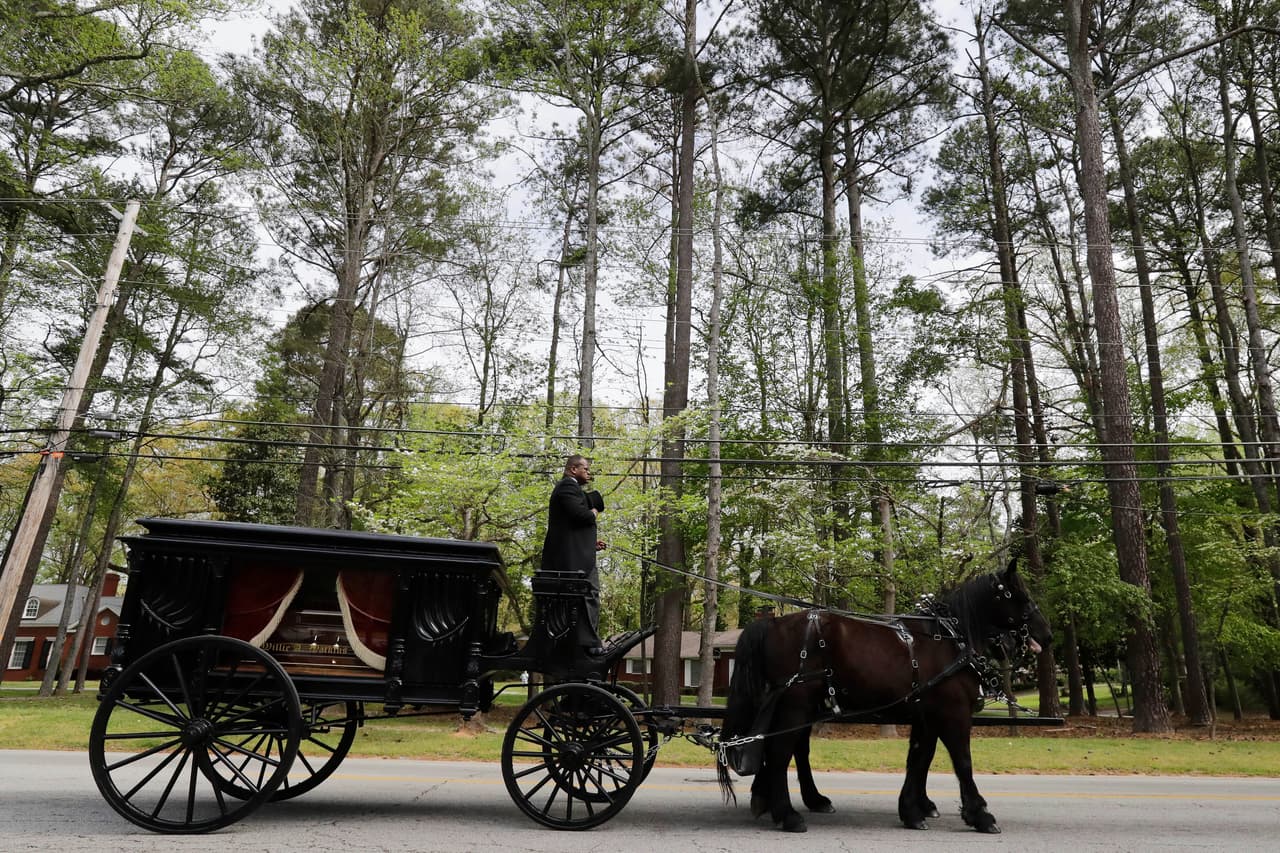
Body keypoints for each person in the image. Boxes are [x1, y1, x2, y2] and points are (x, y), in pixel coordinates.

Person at [540, 454, 607, 654]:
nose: (588, 472)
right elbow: (582, 516)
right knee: (589, 596)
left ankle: (587, 641)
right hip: (573, 563)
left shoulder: (571, 489)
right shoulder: (567, 487)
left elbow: (569, 528)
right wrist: (594, 510)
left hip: (577, 556)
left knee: (589, 596)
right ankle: (588, 643)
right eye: (585, 469)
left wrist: (590, 544)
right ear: (573, 469)